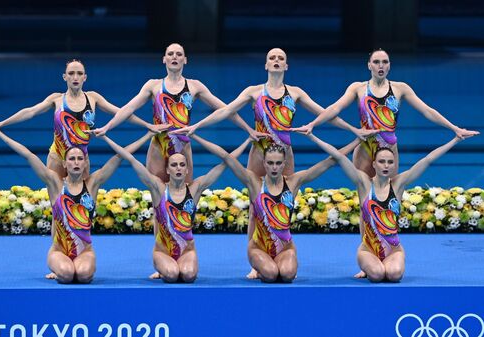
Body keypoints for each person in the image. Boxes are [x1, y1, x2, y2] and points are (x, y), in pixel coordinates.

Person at [171, 47, 373, 278]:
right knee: (257, 207)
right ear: (266, 65)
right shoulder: (254, 92)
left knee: (283, 203)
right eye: (272, 58)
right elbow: (225, 111)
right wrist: (198, 126)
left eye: (281, 59)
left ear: (286, 66)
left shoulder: (295, 93)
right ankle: (255, 259)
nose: (276, 61)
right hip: (259, 154)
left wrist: (350, 129)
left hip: (284, 155)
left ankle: (284, 248)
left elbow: (326, 113)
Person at [0, 124, 153, 283]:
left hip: (85, 251)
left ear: (85, 163)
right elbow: (28, 156)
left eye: (79, 159)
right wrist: (0, 134)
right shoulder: (56, 184)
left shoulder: (92, 184)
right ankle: (59, 266)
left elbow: (119, 157)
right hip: (59, 251)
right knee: (67, 274)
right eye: (71, 159)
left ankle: (69, 267)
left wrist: (147, 135)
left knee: (83, 275)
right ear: (64, 163)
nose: (76, 162)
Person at [305, 132, 475, 282]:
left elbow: (428, 159)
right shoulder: (364, 183)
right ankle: (370, 266)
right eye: (381, 162)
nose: (386, 166)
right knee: (378, 275)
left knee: (393, 275)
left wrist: (455, 140)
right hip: (368, 250)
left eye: (389, 162)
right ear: (374, 164)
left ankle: (383, 264)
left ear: (394, 165)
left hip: (394, 250)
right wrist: (312, 136)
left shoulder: (398, 184)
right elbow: (339, 157)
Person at [194, 133, 361, 283]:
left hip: (285, 247)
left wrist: (356, 141)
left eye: (278, 163)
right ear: (264, 164)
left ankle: (281, 262)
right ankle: (259, 266)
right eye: (270, 163)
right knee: (271, 274)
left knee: (287, 274)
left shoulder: (293, 182)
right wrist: (196, 136)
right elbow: (225, 156)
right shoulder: (254, 182)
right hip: (258, 247)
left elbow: (330, 161)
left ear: (284, 164)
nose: (274, 167)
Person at [292, 49, 479, 176]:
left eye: (384, 62)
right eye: (376, 62)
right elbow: (334, 108)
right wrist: (312, 124)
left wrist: (454, 128)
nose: (380, 65)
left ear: (389, 66)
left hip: (389, 147)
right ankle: (365, 237)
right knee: (365, 197)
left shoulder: (400, 88)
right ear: (369, 65)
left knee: (387, 194)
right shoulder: (358, 88)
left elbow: (427, 111)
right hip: (364, 146)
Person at [92, 43, 258, 182]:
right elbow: (128, 109)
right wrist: (107, 127)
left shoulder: (195, 86)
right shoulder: (153, 85)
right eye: (170, 54)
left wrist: (248, 129)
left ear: (185, 60)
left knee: (184, 193)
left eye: (179, 54)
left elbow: (226, 110)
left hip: (183, 146)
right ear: (164, 59)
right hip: (158, 145)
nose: (174, 57)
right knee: (157, 196)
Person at [98, 134, 251, 283]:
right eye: (174, 165)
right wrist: (108, 137)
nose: (178, 168)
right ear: (167, 170)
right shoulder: (158, 188)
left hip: (187, 251)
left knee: (188, 275)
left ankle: (174, 266)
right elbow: (129, 158)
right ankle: (162, 267)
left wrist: (246, 141)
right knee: (172, 274)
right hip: (162, 251)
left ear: (186, 170)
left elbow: (226, 161)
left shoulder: (194, 189)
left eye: (182, 165)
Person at [0, 59, 160, 178]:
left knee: (79, 200)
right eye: (71, 73)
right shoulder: (56, 99)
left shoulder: (93, 98)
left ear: (85, 77)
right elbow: (30, 111)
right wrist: (2, 123)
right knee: (57, 203)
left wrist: (146, 125)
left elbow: (122, 113)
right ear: (64, 77)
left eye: (79, 73)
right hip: (57, 156)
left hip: (81, 158)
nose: (75, 77)